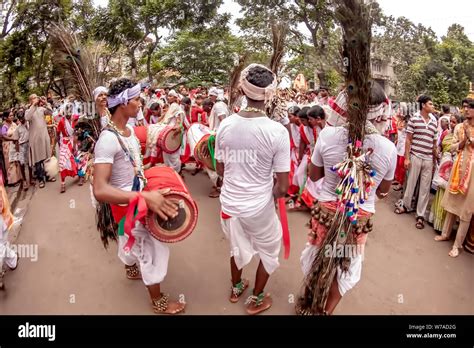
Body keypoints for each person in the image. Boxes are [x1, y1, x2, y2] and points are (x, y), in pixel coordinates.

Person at [298, 83, 397, 315]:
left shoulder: (328, 135)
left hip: (325, 213)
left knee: (318, 256)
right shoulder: (388, 148)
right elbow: (384, 190)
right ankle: (326, 311)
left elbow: (314, 175)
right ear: (379, 111)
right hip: (358, 218)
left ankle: (309, 305)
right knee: (346, 265)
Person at [93, 78, 185, 314]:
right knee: (153, 249)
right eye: (135, 99)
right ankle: (158, 301)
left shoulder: (129, 131)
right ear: (123, 103)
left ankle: (129, 267)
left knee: (128, 240)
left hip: (134, 199)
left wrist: (151, 187)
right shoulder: (107, 140)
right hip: (129, 207)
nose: (139, 102)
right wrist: (145, 198)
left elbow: (140, 157)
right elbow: (100, 189)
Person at [215, 64, 290, 315]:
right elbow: (282, 187)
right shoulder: (278, 132)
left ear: (242, 90)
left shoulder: (225, 125)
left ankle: (236, 287)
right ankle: (256, 299)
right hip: (258, 207)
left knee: (236, 246)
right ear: (271, 95)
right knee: (269, 250)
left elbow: (221, 169)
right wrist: (266, 195)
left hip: (228, 204)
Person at [435, 101, 474, 257]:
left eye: (470, 108)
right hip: (458, 166)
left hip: (472, 173)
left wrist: (469, 136)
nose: (466, 110)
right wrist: (463, 141)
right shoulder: (459, 127)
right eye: (465, 107)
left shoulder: (466, 128)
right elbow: (451, 147)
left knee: (466, 209)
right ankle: (445, 234)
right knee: (452, 202)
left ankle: (457, 245)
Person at [394, 95, 438, 230]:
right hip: (415, 156)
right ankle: (405, 206)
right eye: (430, 104)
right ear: (423, 105)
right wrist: (407, 158)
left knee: (425, 188)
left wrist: (435, 161)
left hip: (428, 158)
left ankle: (420, 215)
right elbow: (408, 140)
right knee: (411, 183)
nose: (432, 106)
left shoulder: (434, 121)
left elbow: (434, 143)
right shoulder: (414, 119)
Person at [429, 115, 458, 233]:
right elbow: (440, 145)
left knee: (447, 194)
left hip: (453, 168)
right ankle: (434, 220)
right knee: (439, 192)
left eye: (454, 122)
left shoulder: (460, 138)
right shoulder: (446, 133)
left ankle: (443, 226)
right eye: (451, 121)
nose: (451, 123)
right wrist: (439, 151)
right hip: (443, 164)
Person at [25, 94, 53, 188]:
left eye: (36, 97)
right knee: (38, 160)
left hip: (44, 137)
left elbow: (50, 112)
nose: (36, 99)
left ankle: (48, 175)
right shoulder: (29, 111)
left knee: (46, 158)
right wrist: (33, 105)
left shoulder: (41, 109)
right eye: (33, 98)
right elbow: (27, 118)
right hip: (35, 139)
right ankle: (41, 179)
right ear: (30, 101)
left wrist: (46, 103)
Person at [57, 103, 79, 193]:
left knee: (77, 159)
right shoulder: (62, 121)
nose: (68, 114)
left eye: (70, 111)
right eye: (67, 112)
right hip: (65, 143)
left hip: (74, 141)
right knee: (62, 163)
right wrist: (59, 144)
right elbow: (57, 133)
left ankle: (80, 175)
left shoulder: (75, 118)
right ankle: (63, 183)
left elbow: (76, 133)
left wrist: (74, 145)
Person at [1, 110, 21, 186]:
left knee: (16, 160)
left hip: (15, 145)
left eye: (12, 115)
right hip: (7, 146)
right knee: (10, 163)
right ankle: (12, 181)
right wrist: (12, 139)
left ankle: (18, 178)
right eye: (10, 116)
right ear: (6, 117)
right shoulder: (4, 125)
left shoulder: (14, 124)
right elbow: (3, 136)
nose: (12, 117)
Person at [14, 113, 32, 191]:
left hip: (29, 144)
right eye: (20, 118)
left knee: (30, 163)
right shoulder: (17, 128)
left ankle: (31, 180)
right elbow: (16, 141)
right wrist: (17, 152)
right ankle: (24, 181)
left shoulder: (29, 124)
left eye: (22, 118)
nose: (22, 120)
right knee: (22, 164)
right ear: (18, 119)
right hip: (22, 146)